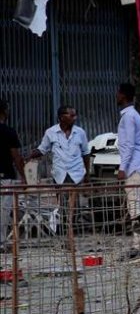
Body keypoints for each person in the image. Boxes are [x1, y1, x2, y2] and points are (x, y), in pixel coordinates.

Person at [116, 83, 140, 256]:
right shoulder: (132, 115)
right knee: (138, 206)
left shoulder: (129, 116)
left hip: (133, 167)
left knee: (135, 206)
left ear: (124, 96)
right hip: (137, 165)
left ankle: (138, 245)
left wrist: (122, 168)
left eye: (118, 94)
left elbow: (128, 144)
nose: (117, 96)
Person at [29, 105, 90, 185]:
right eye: (72, 116)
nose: (75, 118)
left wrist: (87, 174)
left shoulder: (80, 132)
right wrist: (29, 156)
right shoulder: (50, 132)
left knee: (74, 196)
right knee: (61, 197)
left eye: (75, 115)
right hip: (59, 175)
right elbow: (42, 150)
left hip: (77, 174)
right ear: (62, 117)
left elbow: (86, 153)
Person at [0, 100, 27, 244]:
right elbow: (16, 157)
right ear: (4, 111)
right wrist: (23, 176)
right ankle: (1, 241)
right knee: (3, 211)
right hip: (5, 176)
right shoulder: (9, 132)